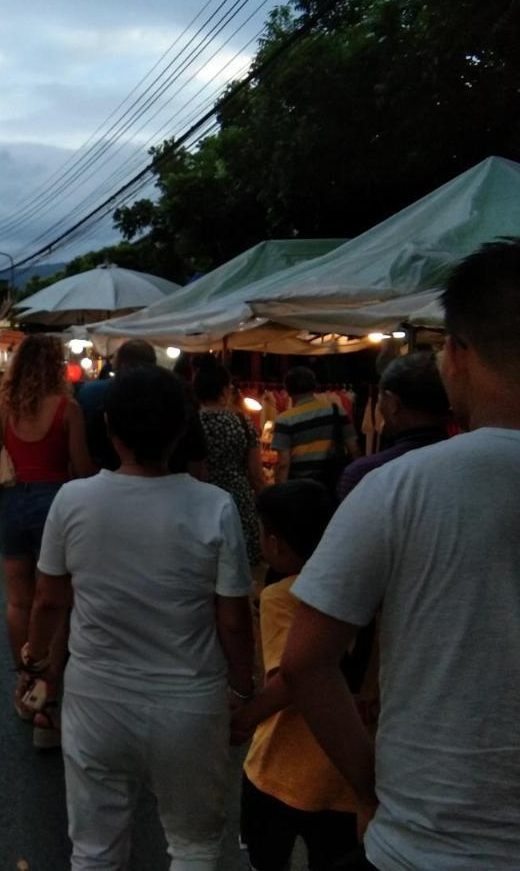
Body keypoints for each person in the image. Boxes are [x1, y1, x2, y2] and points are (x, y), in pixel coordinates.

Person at [281, 240, 520, 870]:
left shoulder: (399, 485)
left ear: (459, 354)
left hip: (427, 840)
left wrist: (368, 787)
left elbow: (306, 662)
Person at [26, 364, 253, 870]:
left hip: (97, 697)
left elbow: (48, 600)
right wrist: (240, 690)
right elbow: (234, 620)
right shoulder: (213, 506)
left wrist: (35, 662)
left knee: (94, 849)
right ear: (181, 430)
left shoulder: (74, 500)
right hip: (189, 702)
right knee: (193, 845)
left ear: (107, 426)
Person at [230, 481, 359, 871]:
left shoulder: (284, 596)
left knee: (266, 858)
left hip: (282, 765)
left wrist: (244, 720)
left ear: (276, 542)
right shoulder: (368, 589)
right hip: (349, 767)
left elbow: (292, 676)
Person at [0, 334, 93, 748]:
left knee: (18, 600)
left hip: (12, 502)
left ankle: (26, 684)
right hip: (57, 505)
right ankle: (49, 697)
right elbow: (82, 470)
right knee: (55, 602)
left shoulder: (4, 407)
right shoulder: (68, 409)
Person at [77, 340, 207, 478]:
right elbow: (197, 464)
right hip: (177, 491)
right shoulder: (179, 402)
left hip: (115, 491)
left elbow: (91, 460)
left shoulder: (105, 405)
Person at [336, 352, 448, 501]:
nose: (380, 406)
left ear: (393, 403)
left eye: (381, 398)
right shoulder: (473, 466)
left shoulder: (363, 475)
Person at [194, 360, 265, 567]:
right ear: (225, 390)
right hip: (238, 502)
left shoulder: (192, 425)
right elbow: (256, 474)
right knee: (238, 569)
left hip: (202, 503)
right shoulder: (243, 423)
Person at [272, 366, 359, 485]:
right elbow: (354, 449)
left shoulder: (285, 420)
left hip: (300, 486)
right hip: (334, 482)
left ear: (287, 390)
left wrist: (280, 492)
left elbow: (283, 463)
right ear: (314, 386)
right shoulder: (337, 411)